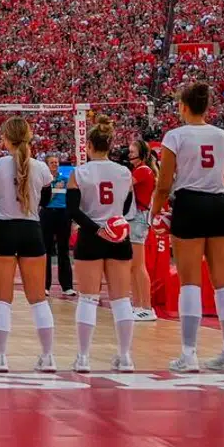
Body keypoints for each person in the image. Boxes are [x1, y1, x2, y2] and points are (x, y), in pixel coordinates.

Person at [150, 82, 224, 374]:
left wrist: (156, 212)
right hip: (217, 204)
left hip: (188, 203)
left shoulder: (175, 136)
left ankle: (189, 355)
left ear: (183, 107)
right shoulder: (223, 136)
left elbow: (164, 183)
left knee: (190, 282)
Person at [0, 116, 56, 373]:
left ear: (7, 139)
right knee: (38, 299)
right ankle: (48, 356)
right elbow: (47, 198)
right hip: (32, 230)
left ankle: (0, 358)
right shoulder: (41, 168)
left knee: (2, 300)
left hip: (3, 230)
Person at [66, 115, 136, 373]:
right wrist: (111, 225)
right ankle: (125, 356)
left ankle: (83, 358)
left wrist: (97, 229)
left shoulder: (80, 173)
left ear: (89, 146)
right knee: (121, 300)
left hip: (91, 236)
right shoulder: (124, 172)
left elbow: (72, 210)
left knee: (87, 298)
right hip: (119, 237)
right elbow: (126, 207)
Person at [127, 138, 159, 322]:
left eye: (132, 152)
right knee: (134, 266)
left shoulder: (142, 171)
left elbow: (124, 185)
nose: (129, 154)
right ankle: (138, 305)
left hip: (138, 218)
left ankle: (146, 306)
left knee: (138, 266)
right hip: (136, 217)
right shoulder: (142, 170)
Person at [41, 153, 75, 297]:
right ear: (46, 165)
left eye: (56, 162)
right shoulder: (43, 181)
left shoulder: (65, 180)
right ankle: (45, 285)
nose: (55, 164)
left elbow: (71, 199)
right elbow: (41, 200)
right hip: (47, 214)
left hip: (63, 214)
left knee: (63, 250)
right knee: (46, 250)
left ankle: (67, 285)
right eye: (52, 162)